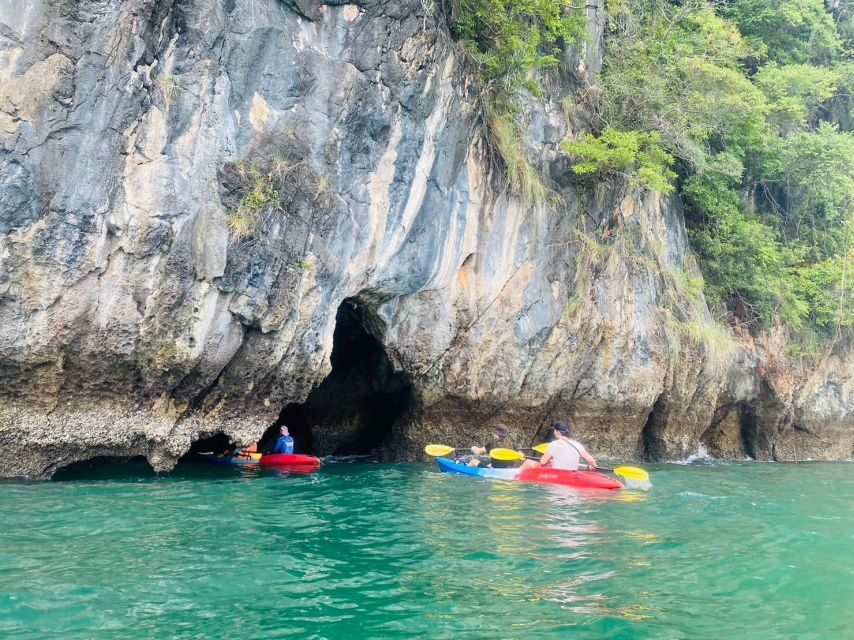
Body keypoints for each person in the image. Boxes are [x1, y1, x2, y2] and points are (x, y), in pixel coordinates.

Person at [523, 420, 597, 471]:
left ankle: (517, 478)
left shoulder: (554, 444)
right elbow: (591, 461)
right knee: (552, 463)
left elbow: (542, 462)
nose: (554, 433)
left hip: (558, 475)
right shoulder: (578, 445)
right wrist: (592, 466)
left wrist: (548, 460)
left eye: (554, 431)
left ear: (558, 432)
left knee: (528, 462)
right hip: (572, 474)